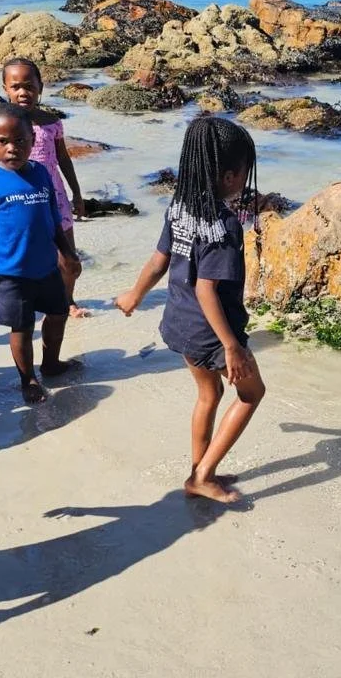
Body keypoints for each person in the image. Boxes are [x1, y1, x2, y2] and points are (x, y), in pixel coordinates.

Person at [115, 116, 265, 504]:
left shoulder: (179, 207)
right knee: (251, 394)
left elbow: (158, 260)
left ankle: (200, 469)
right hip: (212, 333)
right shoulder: (225, 226)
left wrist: (135, 294)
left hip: (179, 323)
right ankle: (202, 476)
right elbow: (207, 290)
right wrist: (232, 346)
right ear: (231, 176)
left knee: (208, 395)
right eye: (245, 173)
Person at [0, 103, 81, 404]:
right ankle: (27, 378)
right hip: (10, 272)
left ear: (32, 139)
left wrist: (67, 252)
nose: (12, 148)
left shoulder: (42, 173)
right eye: (3, 141)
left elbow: (53, 219)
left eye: (20, 140)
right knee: (22, 326)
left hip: (47, 267)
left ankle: (51, 363)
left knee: (58, 314)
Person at [1, 58, 89, 318]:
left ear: (41, 86)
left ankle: (67, 300)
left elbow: (63, 158)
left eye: (29, 86)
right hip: (21, 200)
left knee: (69, 260)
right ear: (5, 88)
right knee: (23, 258)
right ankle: (27, 303)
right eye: (15, 86)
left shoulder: (51, 123)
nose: (22, 92)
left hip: (56, 198)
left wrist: (77, 193)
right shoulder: (4, 125)